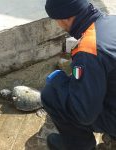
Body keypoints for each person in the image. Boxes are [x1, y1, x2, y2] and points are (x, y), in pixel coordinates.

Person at [41, 0, 116, 150]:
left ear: (65, 19)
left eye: (56, 21)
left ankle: (79, 146)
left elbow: (85, 114)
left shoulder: (89, 49)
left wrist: (58, 82)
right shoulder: (112, 21)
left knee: (51, 94)